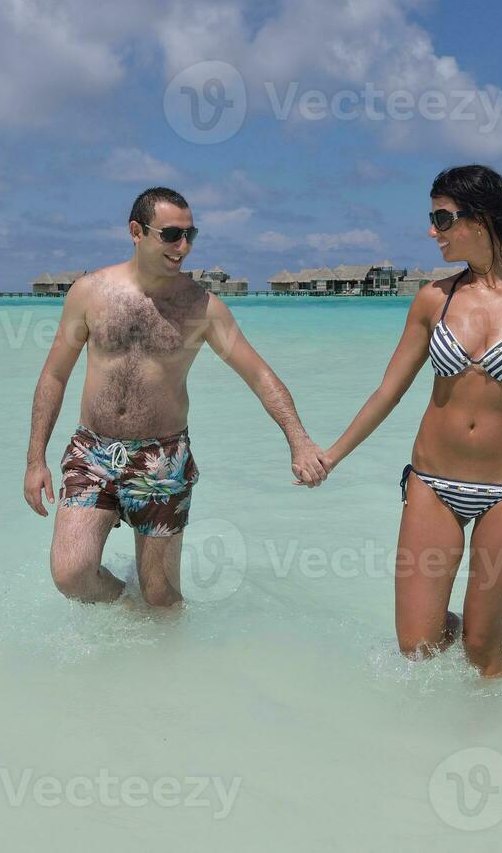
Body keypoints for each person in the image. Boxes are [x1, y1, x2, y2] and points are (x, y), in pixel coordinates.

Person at [323, 165, 502, 678]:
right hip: (432, 483)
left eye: (442, 218)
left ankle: (498, 732)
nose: (432, 231)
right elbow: (388, 390)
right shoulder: (434, 299)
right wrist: (333, 455)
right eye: (432, 219)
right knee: (417, 643)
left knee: (482, 649)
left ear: (483, 218)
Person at [23, 187, 329, 608]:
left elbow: (259, 374)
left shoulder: (202, 308)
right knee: (72, 575)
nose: (183, 247)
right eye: (170, 235)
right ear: (136, 231)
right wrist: (35, 459)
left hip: (163, 459)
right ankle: (122, 604)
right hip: (93, 450)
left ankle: (166, 666)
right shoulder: (89, 293)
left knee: (162, 597)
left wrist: (299, 440)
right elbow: (54, 375)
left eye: (191, 235)